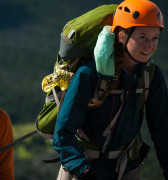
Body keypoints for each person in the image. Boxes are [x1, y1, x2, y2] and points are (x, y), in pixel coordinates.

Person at [52, 0, 168, 179]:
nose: (149, 46)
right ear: (122, 35)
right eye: (143, 37)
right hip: (83, 167)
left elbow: (163, 131)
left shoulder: (151, 76)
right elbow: (63, 132)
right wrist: (83, 170)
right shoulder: (89, 73)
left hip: (125, 167)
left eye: (155, 38)